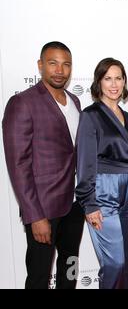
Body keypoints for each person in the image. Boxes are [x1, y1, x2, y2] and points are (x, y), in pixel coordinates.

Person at [2, 41, 84, 289]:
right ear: (40, 66)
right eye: (53, 63)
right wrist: (35, 215)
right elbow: (18, 164)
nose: (60, 70)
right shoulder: (23, 103)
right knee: (39, 276)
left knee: (69, 268)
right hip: (43, 208)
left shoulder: (75, 102)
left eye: (66, 64)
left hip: (74, 205)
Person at [75, 57, 128, 289]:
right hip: (104, 191)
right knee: (114, 262)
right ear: (99, 83)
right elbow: (84, 161)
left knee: (127, 260)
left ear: (124, 82)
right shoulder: (90, 115)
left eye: (118, 78)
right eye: (108, 79)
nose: (114, 84)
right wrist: (89, 203)